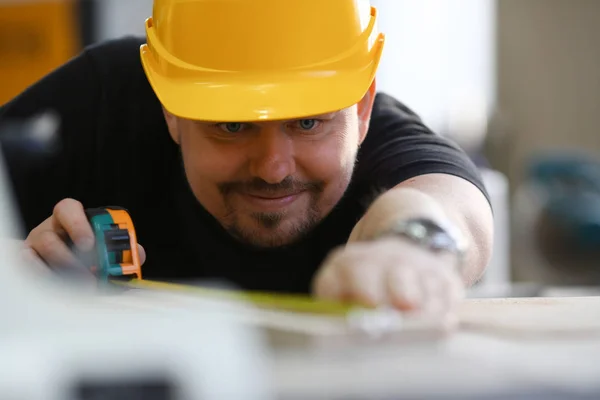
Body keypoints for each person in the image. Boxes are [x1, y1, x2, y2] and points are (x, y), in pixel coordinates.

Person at [0, 0, 493, 316]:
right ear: (170, 110)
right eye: (232, 125)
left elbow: (449, 208)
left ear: (362, 108)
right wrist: (14, 267)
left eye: (307, 123)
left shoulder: (389, 142)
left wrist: (406, 245)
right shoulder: (106, 100)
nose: (273, 167)